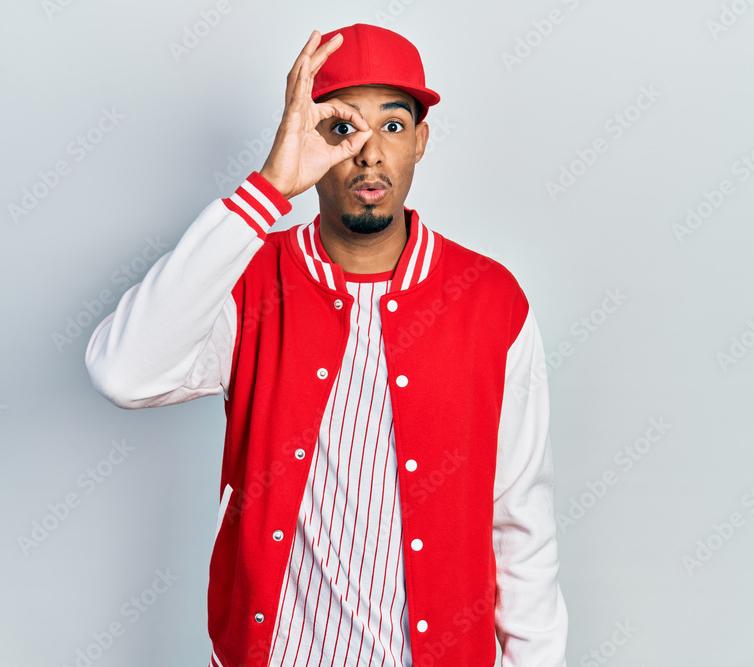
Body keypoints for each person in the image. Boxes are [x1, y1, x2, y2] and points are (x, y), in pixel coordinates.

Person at [85, 22, 568, 667]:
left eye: (393, 126)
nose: (369, 154)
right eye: (343, 127)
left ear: (422, 141)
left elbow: (521, 520)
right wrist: (267, 190)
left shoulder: (491, 300)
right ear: (306, 136)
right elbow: (123, 373)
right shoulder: (249, 285)